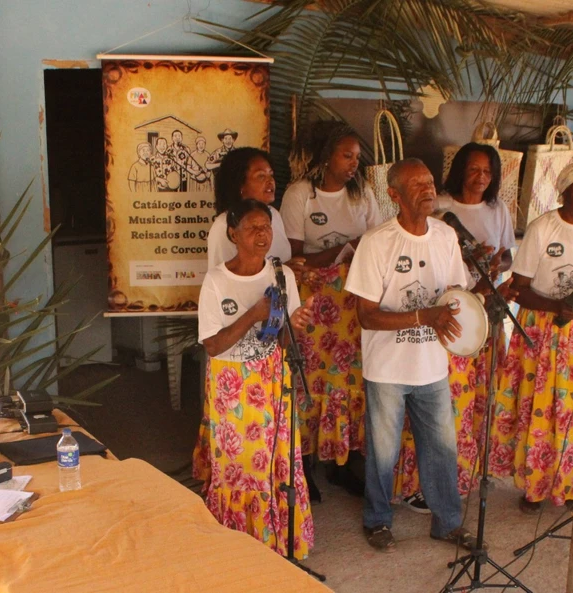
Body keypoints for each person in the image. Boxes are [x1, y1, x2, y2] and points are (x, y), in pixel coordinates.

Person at [346, 158, 480, 553]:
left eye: (430, 182)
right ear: (394, 195)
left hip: (432, 365)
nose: (428, 189)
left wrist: (472, 309)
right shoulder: (376, 242)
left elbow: (456, 291)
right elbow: (366, 316)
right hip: (387, 367)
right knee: (383, 452)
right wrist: (425, 316)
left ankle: (448, 523)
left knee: (441, 448)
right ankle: (377, 520)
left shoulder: (445, 236)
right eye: (416, 184)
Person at [488, 162, 573, 513]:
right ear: (563, 192)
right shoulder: (543, 227)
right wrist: (558, 305)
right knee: (541, 408)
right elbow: (519, 288)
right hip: (544, 329)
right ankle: (535, 486)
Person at [393, 142, 516, 512]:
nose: (480, 177)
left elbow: (509, 251)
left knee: (479, 398)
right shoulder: (442, 208)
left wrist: (496, 260)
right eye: (474, 169)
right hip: (446, 315)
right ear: (460, 170)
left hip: (486, 310)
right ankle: (423, 483)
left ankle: (468, 470)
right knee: (445, 401)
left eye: (488, 172)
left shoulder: (498, 209)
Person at [192, 199, 316, 556]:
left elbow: (284, 336)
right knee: (237, 465)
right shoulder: (217, 280)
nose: (262, 235)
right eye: (252, 228)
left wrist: (298, 325)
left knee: (275, 460)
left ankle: (278, 543)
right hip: (232, 387)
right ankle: (237, 548)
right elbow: (213, 345)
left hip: (272, 381)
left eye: (266, 227)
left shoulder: (282, 274)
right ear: (234, 234)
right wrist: (252, 314)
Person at [279, 125, 380, 487]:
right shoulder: (300, 195)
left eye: (357, 157)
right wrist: (341, 251)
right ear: (326, 157)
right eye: (346, 155)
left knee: (346, 377)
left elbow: (378, 244)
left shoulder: (362, 193)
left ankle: (342, 459)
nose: (353, 164)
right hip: (313, 303)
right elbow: (294, 258)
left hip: (352, 303)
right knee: (311, 378)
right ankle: (303, 463)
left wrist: (352, 254)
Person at [204, 147, 294, 271]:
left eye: (271, 174)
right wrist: (283, 272)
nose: (270, 181)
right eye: (261, 176)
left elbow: (281, 262)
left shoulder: (275, 215)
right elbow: (227, 278)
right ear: (241, 185)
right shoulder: (224, 225)